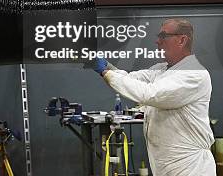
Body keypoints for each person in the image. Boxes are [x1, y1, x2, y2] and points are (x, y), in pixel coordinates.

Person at [92, 18, 215, 176]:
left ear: (182, 40)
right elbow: (130, 79)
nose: (157, 41)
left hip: (190, 167)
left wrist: (105, 72)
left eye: (163, 36)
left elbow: (149, 93)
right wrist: (104, 65)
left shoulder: (194, 74)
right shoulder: (162, 69)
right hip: (167, 165)